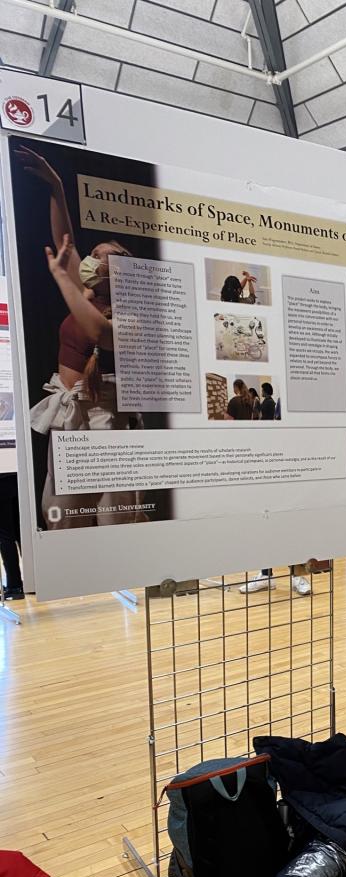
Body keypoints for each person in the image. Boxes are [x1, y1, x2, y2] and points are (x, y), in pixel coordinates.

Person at [15, 145, 143, 530]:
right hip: (72, 415)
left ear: (117, 272)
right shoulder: (83, 292)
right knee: (63, 512)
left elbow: (98, 332)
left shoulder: (129, 317)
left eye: (102, 254)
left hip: (107, 415)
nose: (90, 257)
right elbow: (65, 237)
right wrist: (56, 185)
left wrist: (60, 277)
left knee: (113, 514)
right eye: (92, 252)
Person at [0, 472, 23, 599]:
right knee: (20, 531)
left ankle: (14, 586)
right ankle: (33, 582)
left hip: (2, 479)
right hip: (17, 477)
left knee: (4, 534)